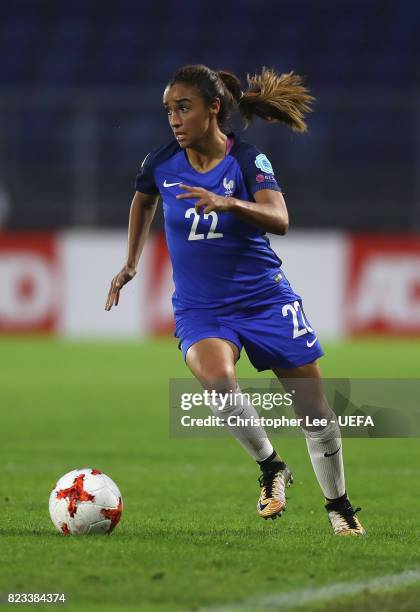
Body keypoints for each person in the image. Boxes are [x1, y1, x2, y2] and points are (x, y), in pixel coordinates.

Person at [105, 64, 364, 536]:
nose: (174, 120)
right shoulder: (160, 162)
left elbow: (279, 218)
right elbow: (143, 200)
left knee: (315, 412)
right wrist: (131, 262)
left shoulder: (247, 161)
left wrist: (229, 203)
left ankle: (339, 506)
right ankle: (271, 467)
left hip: (265, 300)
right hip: (202, 309)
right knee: (217, 378)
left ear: (214, 108)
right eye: (168, 110)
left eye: (183, 108)